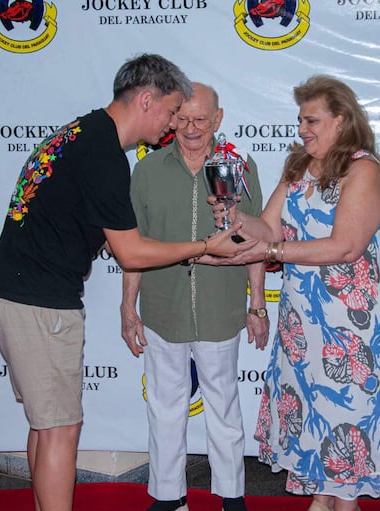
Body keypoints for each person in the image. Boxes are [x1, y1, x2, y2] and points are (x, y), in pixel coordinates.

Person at [0, 55, 252, 511]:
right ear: (146, 99)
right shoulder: (105, 154)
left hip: (19, 292)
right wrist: (205, 244)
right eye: (170, 111)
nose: (172, 124)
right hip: (39, 300)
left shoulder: (84, 134)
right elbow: (131, 252)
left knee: (46, 426)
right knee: (61, 429)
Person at [211, 75, 380, 511]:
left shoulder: (364, 170)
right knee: (315, 409)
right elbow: (267, 225)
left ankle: (342, 502)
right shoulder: (298, 166)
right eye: (300, 119)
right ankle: (323, 498)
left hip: (352, 321)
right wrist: (233, 215)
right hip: (303, 318)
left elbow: (345, 245)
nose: (302, 128)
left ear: (341, 120)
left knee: (348, 413)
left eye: (311, 119)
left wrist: (273, 250)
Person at [120, 82, 269, 511]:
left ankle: (231, 493)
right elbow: (134, 245)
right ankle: (168, 495)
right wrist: (127, 306)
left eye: (200, 119)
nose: (190, 128)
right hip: (161, 307)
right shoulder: (147, 170)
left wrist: (257, 303)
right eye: (181, 118)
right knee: (165, 407)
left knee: (224, 405)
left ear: (218, 120)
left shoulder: (239, 167)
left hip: (220, 307)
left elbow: (259, 239)